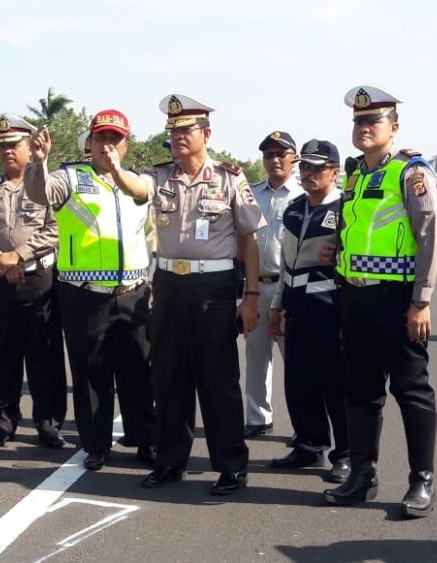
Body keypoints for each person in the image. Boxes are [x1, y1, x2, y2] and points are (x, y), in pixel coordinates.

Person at [110, 94, 264, 495]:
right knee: (169, 377)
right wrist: (113, 168)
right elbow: (135, 186)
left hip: (213, 289)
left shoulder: (231, 178)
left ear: (206, 134)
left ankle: (231, 465)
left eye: (185, 130)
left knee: (218, 380)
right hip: (168, 286)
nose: (177, 136)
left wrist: (250, 296)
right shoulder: (160, 176)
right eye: (172, 130)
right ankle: (170, 460)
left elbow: (249, 241)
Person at [320, 86, 437, 518]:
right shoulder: (355, 175)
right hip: (354, 297)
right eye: (358, 121)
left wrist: (421, 301)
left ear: (394, 127)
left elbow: (429, 240)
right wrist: (336, 248)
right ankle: (363, 475)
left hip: (397, 299)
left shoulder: (412, 173)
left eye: (373, 121)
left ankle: (420, 480)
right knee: (361, 391)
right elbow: (360, 228)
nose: (364, 128)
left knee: (411, 391)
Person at [25, 109, 157, 471]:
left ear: (126, 144)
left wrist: (117, 173)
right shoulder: (71, 177)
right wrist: (39, 162)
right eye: (101, 139)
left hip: (132, 291)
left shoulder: (137, 181)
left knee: (137, 372)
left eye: (115, 139)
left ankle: (145, 440)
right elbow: (39, 194)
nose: (108, 146)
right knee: (90, 374)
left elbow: (145, 215)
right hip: (85, 294)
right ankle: (95, 446)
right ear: (90, 143)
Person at [0, 113, 67, 450]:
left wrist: (19, 256)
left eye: (14, 145)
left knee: (44, 354)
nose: (7, 151)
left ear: (29, 148)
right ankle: (1, 424)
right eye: (2, 146)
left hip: (37, 277)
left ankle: (48, 425)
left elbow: (54, 229)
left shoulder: (44, 185)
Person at [267, 140, 350, 484]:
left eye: (318, 168)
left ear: (334, 171)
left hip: (332, 308)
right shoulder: (295, 208)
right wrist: (276, 305)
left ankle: (345, 454)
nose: (309, 174)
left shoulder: (347, 209)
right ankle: (309, 444)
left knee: (336, 385)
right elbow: (287, 261)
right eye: (304, 167)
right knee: (299, 382)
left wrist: (342, 251)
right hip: (297, 307)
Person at [242, 131, 299, 439]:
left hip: (290, 290)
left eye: (281, 153)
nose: (274, 160)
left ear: (294, 157)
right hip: (256, 286)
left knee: (299, 362)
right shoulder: (251, 194)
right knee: (256, 355)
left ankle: (306, 426)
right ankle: (257, 417)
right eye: (268, 155)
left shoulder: (304, 196)